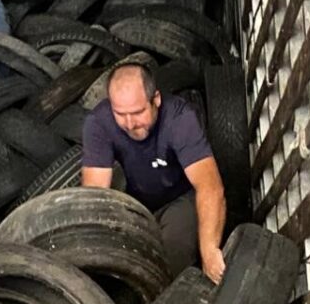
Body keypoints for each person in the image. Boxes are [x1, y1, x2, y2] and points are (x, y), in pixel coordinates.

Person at [81, 64, 227, 283]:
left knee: (172, 251)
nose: (130, 124)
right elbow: (95, 195)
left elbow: (211, 187)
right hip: (137, 202)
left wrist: (210, 251)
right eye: (120, 114)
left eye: (138, 112)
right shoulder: (98, 123)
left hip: (180, 197)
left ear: (156, 99)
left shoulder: (180, 119)